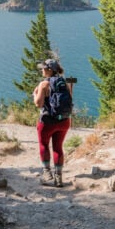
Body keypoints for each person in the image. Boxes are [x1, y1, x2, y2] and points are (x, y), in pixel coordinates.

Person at [33, 58, 73, 187]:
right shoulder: (64, 82)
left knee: (44, 145)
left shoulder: (44, 84)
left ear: (49, 70)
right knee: (58, 148)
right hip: (64, 121)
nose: (42, 70)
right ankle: (59, 178)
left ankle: (47, 174)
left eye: (43, 68)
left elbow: (38, 104)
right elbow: (70, 99)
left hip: (47, 121)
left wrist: (35, 94)